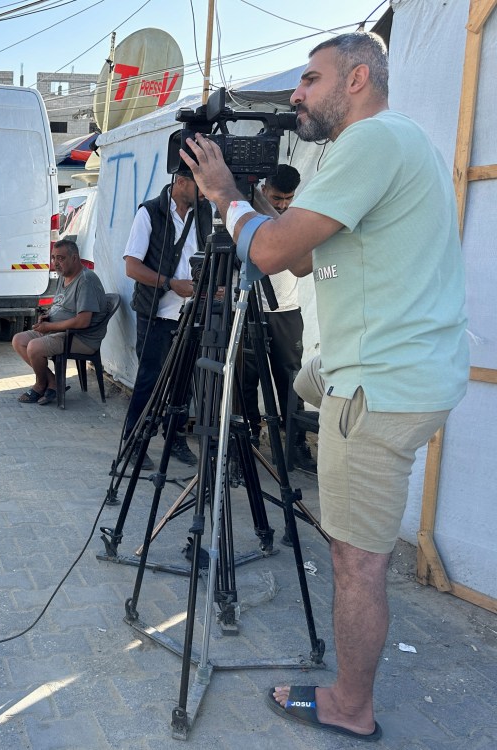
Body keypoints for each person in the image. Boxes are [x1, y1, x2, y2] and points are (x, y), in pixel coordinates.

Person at [181, 32, 468, 742]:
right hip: (392, 372)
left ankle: (349, 705)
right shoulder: (399, 144)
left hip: (377, 389)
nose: (296, 95)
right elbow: (307, 261)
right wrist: (258, 208)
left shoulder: (369, 143)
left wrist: (224, 195)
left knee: (355, 558)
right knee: (307, 379)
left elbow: (273, 252)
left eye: (310, 80)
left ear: (358, 80)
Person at [121, 171, 211, 467]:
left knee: (183, 382)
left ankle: (175, 440)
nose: (206, 188)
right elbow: (132, 267)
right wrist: (171, 283)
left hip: (192, 312)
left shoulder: (205, 210)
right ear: (181, 181)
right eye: (200, 181)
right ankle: (134, 442)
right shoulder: (150, 212)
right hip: (157, 312)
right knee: (150, 380)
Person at [239, 165, 316, 471]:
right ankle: (248, 441)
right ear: (265, 188)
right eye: (276, 197)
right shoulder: (251, 212)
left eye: (288, 198)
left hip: (286, 312)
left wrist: (267, 205)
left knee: (291, 381)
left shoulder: (297, 217)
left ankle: (295, 445)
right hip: (249, 308)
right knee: (245, 381)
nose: (282, 204)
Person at [12, 239, 107, 405]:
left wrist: (50, 326)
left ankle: (41, 384)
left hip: (81, 337)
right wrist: (48, 316)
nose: (56, 263)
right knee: (18, 340)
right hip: (59, 331)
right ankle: (54, 382)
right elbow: (61, 306)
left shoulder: (85, 281)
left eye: (61, 258)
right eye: (53, 258)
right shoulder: (63, 277)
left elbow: (83, 321)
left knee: (34, 346)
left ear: (75, 258)